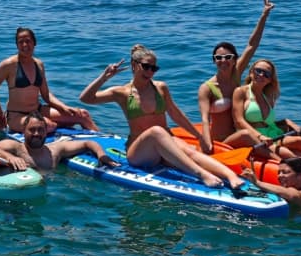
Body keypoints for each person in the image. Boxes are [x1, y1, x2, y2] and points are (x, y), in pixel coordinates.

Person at [78, 46, 250, 192]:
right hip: (140, 152)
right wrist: (104, 78)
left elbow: (176, 114)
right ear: (134, 65)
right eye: (146, 67)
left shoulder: (161, 88)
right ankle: (201, 174)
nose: (150, 72)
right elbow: (86, 98)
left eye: (154, 68)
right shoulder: (122, 93)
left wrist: (199, 136)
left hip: (165, 143)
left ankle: (230, 175)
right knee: (156, 131)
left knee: (190, 151)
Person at [228, 58, 301, 166]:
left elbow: (266, 123)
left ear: (270, 80)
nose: (261, 75)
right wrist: (261, 137)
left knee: (300, 141)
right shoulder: (241, 92)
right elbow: (239, 120)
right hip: (254, 138)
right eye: (258, 71)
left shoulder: (268, 97)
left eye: (266, 74)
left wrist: (287, 122)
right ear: (251, 72)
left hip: (272, 135)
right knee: (289, 153)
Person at [0, 27, 97, 135]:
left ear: (34, 43)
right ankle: (58, 125)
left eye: (28, 41)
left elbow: (46, 95)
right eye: (21, 42)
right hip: (17, 115)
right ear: (17, 45)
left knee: (82, 115)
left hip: (38, 111)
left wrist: (63, 107)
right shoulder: (8, 65)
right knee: (47, 125)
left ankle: (105, 141)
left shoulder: (39, 64)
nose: (25, 45)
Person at [198, 0, 274, 143]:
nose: (223, 61)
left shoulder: (236, 74)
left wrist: (264, 14)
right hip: (222, 142)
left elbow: (252, 45)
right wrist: (206, 145)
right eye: (218, 58)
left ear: (234, 60)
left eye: (228, 57)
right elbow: (205, 120)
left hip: (243, 136)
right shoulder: (207, 88)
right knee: (246, 135)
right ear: (214, 61)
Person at [0, 110, 115, 172]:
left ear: (46, 131)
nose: (36, 134)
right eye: (32, 130)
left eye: (40, 130)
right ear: (24, 130)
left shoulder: (55, 150)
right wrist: (10, 157)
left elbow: (88, 143)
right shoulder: (16, 147)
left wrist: (101, 155)